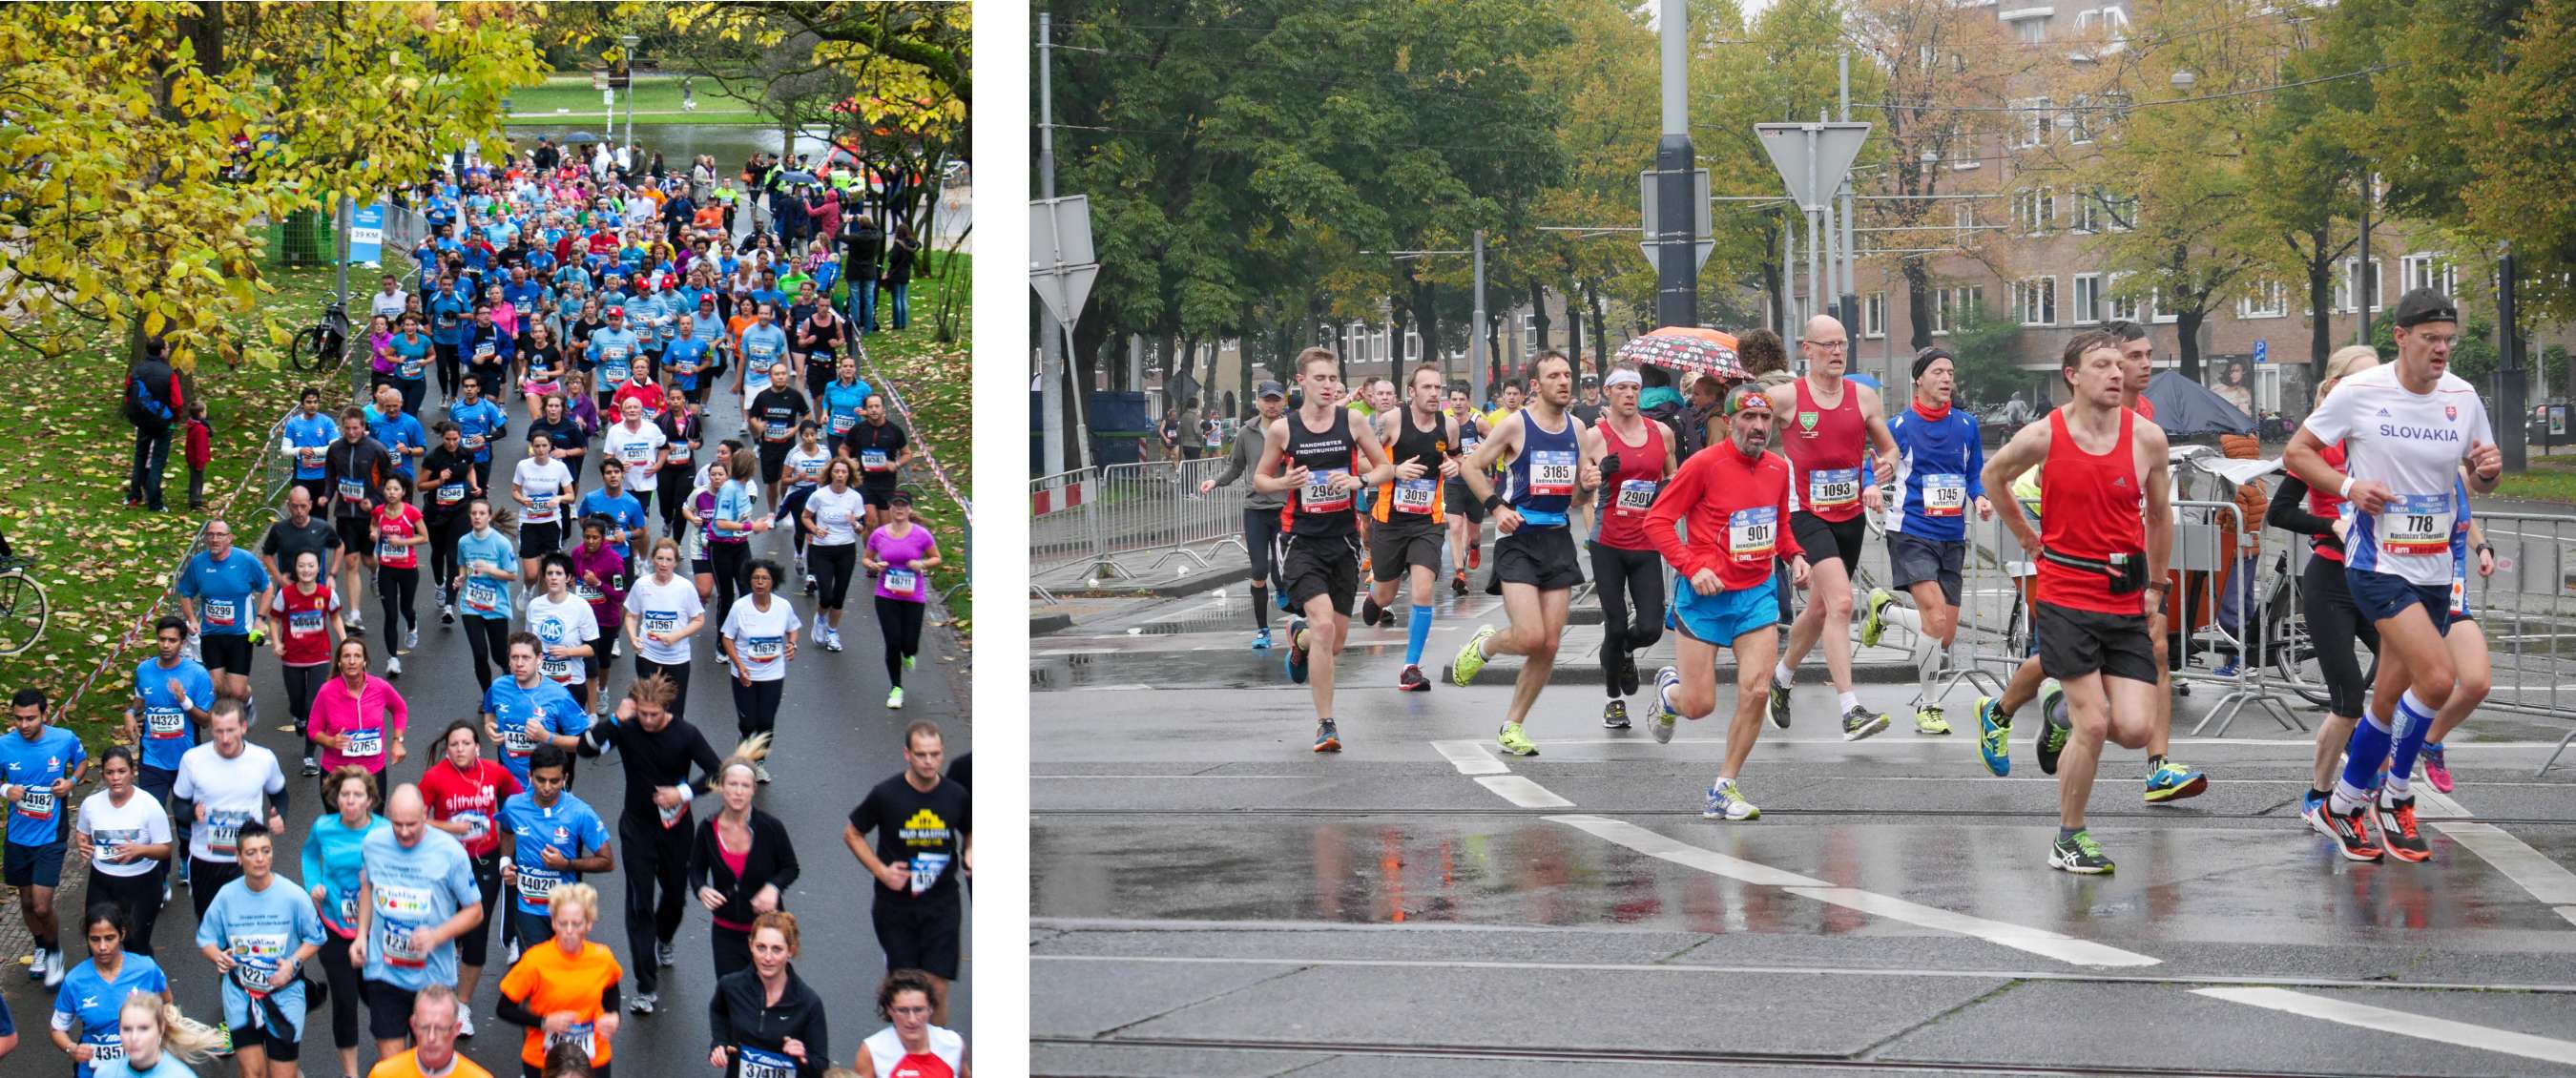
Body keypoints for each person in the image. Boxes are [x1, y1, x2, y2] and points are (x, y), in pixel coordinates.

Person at [2283, 288, 2504, 863]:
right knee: (2437, 679)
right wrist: (2350, 487)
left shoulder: (2462, 396)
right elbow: (2297, 453)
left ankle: (2343, 804)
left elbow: (2480, 478)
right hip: (2376, 564)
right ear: (2401, 338)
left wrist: (2488, 471)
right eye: (2430, 339)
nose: (2441, 350)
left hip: (2436, 566)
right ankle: (2397, 796)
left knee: (2386, 699)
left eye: (2448, 340)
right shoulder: (2361, 392)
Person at [1971, 321, 2209, 803]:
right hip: (2068, 574)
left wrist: (2157, 586)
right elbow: (1995, 475)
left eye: (2133, 360)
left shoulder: (2147, 426)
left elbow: (2159, 514)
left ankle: (2136, 751)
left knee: (2147, 668)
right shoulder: (2050, 431)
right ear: (2074, 374)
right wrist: (2029, 538)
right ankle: (2034, 727)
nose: (2130, 369)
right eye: (2118, 361)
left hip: (2127, 577)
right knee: (2080, 694)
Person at [1636, 384, 1809, 819]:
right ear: (1729, 422)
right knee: (1700, 705)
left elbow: (1779, 524)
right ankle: (1670, 694)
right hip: (1704, 599)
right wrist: (1692, 567)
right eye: (1748, 418)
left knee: (1756, 690)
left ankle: (1723, 787)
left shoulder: (1778, 468)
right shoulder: (1703, 465)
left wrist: (1795, 555)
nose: (1758, 426)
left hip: (1756, 595)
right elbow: (1657, 521)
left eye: (1765, 418)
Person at [1449, 353, 1603, 757]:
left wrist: (1588, 484)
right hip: (1518, 537)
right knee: (1530, 636)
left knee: (1549, 645)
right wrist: (1497, 508)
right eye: (1554, 376)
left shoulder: (1578, 428)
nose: (1564, 381)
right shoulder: (1516, 424)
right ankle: (1485, 646)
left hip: (1557, 538)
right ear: (1536, 384)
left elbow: (1576, 498)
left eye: (1567, 374)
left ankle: (1512, 726)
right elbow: (1471, 467)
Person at [1249, 347, 1395, 752]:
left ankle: (1300, 641)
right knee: (1324, 624)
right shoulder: (1284, 429)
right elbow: (1260, 479)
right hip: (1300, 540)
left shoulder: (1352, 421)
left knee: (1335, 642)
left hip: (1344, 541)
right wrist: (1284, 483)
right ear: (1301, 382)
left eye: (1333, 378)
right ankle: (1326, 724)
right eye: (1320, 379)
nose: (1329, 386)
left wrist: (1359, 482)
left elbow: (1384, 468)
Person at [1769, 317, 1902, 741]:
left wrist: (1884, 468)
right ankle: (1850, 709)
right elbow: (1742, 417)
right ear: (1807, 349)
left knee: (1821, 610)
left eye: (1842, 344)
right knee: (1842, 603)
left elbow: (1889, 449)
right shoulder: (1787, 397)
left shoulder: (1863, 397)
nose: (1838, 352)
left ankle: (1781, 677)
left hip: (1849, 516)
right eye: (1828, 344)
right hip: (1805, 514)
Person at [1860, 347, 1994, 737]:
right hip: (1911, 531)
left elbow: (1973, 474)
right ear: (1919, 378)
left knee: (1943, 634)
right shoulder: (1900, 426)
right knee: (1934, 619)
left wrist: (1981, 498)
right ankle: (1929, 705)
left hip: (1952, 535)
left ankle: (1885, 611)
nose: (1947, 378)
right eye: (1938, 372)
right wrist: (1872, 484)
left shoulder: (1967, 425)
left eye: (1950, 371)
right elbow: (1872, 465)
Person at [573, 674, 725, 1013]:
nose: (647, 719)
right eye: (642, 712)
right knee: (639, 905)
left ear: (666, 709)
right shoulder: (627, 728)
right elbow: (585, 750)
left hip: (676, 830)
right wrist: (615, 718)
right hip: (637, 829)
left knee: (674, 897)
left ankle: (665, 938)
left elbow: (719, 771)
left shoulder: (686, 734)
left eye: (653, 714)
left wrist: (682, 792)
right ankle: (646, 986)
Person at [845, 721, 969, 1027]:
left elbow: (971, 828)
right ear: (907, 754)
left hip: (942, 903)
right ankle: (904, 1048)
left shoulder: (956, 795)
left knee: (936, 987)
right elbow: (853, 834)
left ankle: (934, 1050)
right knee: (905, 989)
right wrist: (881, 871)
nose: (929, 762)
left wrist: (970, 849)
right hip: (895, 905)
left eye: (935, 754)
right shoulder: (886, 794)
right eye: (921, 754)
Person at [354, 785, 485, 1061]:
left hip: (432, 976)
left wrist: (436, 936)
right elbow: (368, 886)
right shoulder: (373, 844)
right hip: (384, 971)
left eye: (411, 824)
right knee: (392, 1063)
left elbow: (475, 911)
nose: (404, 832)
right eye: (397, 824)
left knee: (427, 1058)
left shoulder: (450, 852)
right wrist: (360, 934)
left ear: (425, 815)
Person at [1358, 364, 1463, 692]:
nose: (1435, 393)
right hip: (1389, 522)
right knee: (1386, 593)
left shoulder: (1449, 426)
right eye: (1427, 387)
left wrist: (1454, 466)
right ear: (1412, 392)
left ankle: (1411, 667)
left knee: (1423, 591)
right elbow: (1360, 461)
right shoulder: (1392, 421)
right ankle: (1375, 597)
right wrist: (1394, 470)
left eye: (1438, 387)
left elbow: (1459, 460)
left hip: (1427, 522)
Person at [193, 820, 325, 1078]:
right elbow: (206, 939)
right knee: (252, 1073)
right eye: (251, 852)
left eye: (265, 850)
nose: (260, 859)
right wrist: (218, 956)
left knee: (281, 1075)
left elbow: (316, 938)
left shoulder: (293, 896)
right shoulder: (226, 896)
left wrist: (292, 963)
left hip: (285, 995)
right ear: (238, 857)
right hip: (241, 995)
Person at [1586, 366, 1679, 729]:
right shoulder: (1596, 437)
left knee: (1652, 627)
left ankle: (1625, 651)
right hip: (1607, 542)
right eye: (1622, 387)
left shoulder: (1662, 433)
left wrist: (1663, 491)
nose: (1629, 394)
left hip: (1645, 542)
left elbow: (1673, 478)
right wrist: (1598, 475)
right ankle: (1614, 701)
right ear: (1607, 392)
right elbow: (1581, 489)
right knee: (1614, 624)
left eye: (1635, 388)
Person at [304, 766, 394, 1077]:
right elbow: (308, 856)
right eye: (345, 795)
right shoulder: (323, 827)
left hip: (376, 930)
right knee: (344, 1001)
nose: (351, 801)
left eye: (358, 795)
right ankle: (351, 1073)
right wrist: (314, 884)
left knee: (378, 999)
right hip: (334, 925)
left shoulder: (384, 831)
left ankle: (390, 1064)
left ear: (370, 800)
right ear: (336, 797)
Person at [688, 738, 799, 979]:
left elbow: (790, 867)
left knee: (770, 995)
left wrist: (773, 887)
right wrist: (701, 889)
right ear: (722, 787)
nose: (738, 792)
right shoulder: (707, 829)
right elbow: (695, 870)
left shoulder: (771, 828)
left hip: (767, 934)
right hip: (726, 932)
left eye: (745, 786)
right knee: (731, 995)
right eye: (733, 784)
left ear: (753, 790)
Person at [172, 699, 289, 922]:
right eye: (219, 731)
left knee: (247, 926)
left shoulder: (263, 759)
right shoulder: (193, 760)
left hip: (249, 859)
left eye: (231, 730)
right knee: (211, 928)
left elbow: (280, 794)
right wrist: (192, 813)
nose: (225, 739)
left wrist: (280, 814)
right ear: (211, 730)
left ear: (243, 727)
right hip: (206, 860)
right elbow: (178, 805)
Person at [123, 617, 209, 907]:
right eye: (162, 639)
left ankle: (185, 858)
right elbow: (139, 703)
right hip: (152, 760)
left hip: (186, 761)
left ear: (182, 643)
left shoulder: (197, 674)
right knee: (151, 821)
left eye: (172, 640)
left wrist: (184, 701)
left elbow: (206, 720)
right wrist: (129, 714)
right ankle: (159, 880)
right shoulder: (144, 670)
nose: (166, 645)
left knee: (185, 819)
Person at [496, 881, 623, 1077]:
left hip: (593, 1056)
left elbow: (611, 987)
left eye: (576, 924)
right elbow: (504, 1008)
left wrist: (614, 1015)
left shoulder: (602, 958)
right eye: (563, 923)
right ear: (554, 923)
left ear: (589, 924)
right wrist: (544, 1022)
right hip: (543, 1059)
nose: (569, 931)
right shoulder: (535, 961)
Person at [5, 688, 87, 986]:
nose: (23, 725)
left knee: (41, 905)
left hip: (51, 837)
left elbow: (82, 762)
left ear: (44, 714)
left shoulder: (64, 739)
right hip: (18, 837)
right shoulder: (4, 745)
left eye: (30, 718)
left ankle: (54, 952)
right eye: (18, 719)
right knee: (26, 902)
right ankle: (40, 945)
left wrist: (72, 782)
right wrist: (6, 790)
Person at [50, 902, 173, 1078]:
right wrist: (72, 1049)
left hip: (142, 1070)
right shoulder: (75, 981)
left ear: (122, 934)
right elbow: (57, 1029)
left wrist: (158, 1036)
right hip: (94, 1072)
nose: (102, 947)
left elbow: (167, 1002)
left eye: (109, 938)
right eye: (95, 939)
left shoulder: (146, 969)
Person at [76, 750, 175, 960]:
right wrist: (82, 843)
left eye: (122, 771)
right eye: (110, 772)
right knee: (97, 944)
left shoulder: (149, 805)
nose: (116, 778)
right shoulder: (90, 804)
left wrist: (140, 850)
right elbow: (82, 833)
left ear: (133, 772)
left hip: (142, 884)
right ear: (103, 775)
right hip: (102, 882)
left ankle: (145, 977)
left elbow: (166, 849)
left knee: (135, 946)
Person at [709, 912, 832, 1078]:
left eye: (776, 949)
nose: (767, 957)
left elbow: (821, 1067)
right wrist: (720, 1042)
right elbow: (718, 1011)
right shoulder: (731, 986)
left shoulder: (808, 1003)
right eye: (761, 947)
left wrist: (802, 1059)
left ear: (791, 951)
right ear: (751, 945)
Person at [176, 517, 272, 729]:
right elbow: (185, 592)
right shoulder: (199, 563)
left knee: (237, 690)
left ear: (230, 538)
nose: (215, 539)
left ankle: (247, 701)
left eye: (220, 535)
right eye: (210, 535)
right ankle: (227, 725)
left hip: (240, 635)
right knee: (216, 686)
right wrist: (192, 619)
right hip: (211, 634)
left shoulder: (245, 560)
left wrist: (260, 619)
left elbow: (266, 588)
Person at [264, 549, 344, 777]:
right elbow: (274, 620)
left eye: (311, 566)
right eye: (302, 566)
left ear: (318, 568)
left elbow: (335, 616)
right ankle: (298, 717)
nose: (306, 570)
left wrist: (345, 641)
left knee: (313, 706)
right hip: (293, 657)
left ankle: (309, 756)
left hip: (320, 656)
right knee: (297, 703)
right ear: (296, 568)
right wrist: (276, 642)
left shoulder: (327, 594)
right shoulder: (286, 594)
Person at [308, 636, 408, 807]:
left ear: (364, 661)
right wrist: (330, 741)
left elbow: (400, 709)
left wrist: (397, 740)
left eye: (357, 656)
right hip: (337, 772)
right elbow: (313, 729)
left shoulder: (379, 687)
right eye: (347, 656)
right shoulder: (327, 691)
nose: (352, 661)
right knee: (338, 824)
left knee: (373, 823)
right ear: (339, 662)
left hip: (373, 771)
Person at [862, 492, 941, 708]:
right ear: (890, 508)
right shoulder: (879, 534)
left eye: (903, 505)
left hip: (913, 596)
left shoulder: (921, 534)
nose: (899, 509)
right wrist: (873, 565)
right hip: (886, 594)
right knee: (893, 641)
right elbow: (866, 558)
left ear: (909, 509)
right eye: (895, 505)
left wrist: (921, 564)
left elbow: (936, 557)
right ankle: (896, 688)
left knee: (910, 644)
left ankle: (909, 654)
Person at [719, 559, 798, 759]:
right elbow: (727, 638)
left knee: (766, 722)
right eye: (755, 578)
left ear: (773, 581)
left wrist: (792, 644)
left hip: (773, 673)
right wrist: (739, 665)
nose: (760, 582)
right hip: (745, 673)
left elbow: (792, 628)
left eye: (765, 578)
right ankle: (744, 744)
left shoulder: (783, 606)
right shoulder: (740, 607)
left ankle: (759, 762)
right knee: (748, 723)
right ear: (749, 580)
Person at [624, 539, 706, 720]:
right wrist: (632, 637)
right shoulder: (642, 585)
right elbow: (631, 615)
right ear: (653, 559)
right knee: (647, 706)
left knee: (674, 712)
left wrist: (677, 635)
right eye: (660, 558)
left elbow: (699, 619)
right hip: (648, 655)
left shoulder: (685, 587)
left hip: (677, 658)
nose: (663, 564)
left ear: (675, 562)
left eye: (669, 559)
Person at [527, 553, 606, 718]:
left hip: (572, 683)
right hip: (541, 684)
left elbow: (592, 649)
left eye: (559, 573)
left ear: (568, 577)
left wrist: (568, 652)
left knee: (569, 731)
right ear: (544, 577)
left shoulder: (581, 607)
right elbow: (528, 644)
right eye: (549, 573)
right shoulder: (535, 606)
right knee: (544, 730)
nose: (553, 577)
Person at [455, 498, 522, 691]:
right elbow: (463, 565)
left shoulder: (501, 543)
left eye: (482, 513)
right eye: (474, 513)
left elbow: (512, 575)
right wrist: (461, 578)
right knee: (479, 654)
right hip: (471, 606)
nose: (477, 517)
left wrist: (490, 570)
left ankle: (510, 685)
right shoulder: (464, 542)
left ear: (489, 517)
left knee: (499, 656)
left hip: (496, 607)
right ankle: (488, 696)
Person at [802, 459, 867, 653]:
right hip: (822, 550)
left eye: (843, 472)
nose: (840, 475)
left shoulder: (855, 497)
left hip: (846, 550)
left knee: (839, 596)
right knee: (826, 596)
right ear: (830, 473)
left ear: (849, 475)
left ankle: (832, 632)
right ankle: (820, 618)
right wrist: (815, 529)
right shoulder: (819, 495)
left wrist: (855, 523)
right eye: (836, 471)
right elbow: (805, 516)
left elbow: (861, 529)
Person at [854, 968, 964, 1078]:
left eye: (918, 1010)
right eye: (903, 1010)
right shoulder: (872, 1051)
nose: (912, 1020)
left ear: (930, 1008)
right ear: (889, 1010)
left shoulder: (954, 1044)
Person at [364, 985, 491, 1078]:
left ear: (456, 1029)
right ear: (414, 1025)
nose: (431, 1038)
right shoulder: (383, 1074)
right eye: (424, 1027)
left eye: (441, 1028)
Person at [374, 474, 430, 670]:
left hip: (408, 569)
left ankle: (412, 624)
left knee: (406, 608)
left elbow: (424, 537)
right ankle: (392, 659)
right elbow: (373, 525)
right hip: (386, 569)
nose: (392, 493)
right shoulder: (379, 512)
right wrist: (373, 533)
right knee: (390, 614)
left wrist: (402, 542)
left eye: (396, 489)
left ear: (403, 492)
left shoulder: (411, 512)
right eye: (388, 489)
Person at [125, 341, 184, 512]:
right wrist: (173, 418)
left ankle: (134, 495)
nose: (169, 350)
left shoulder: (137, 370)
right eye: (167, 348)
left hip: (142, 420)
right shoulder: (169, 374)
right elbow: (177, 401)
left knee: (140, 457)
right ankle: (155, 502)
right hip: (162, 422)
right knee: (157, 462)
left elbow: (129, 394)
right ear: (161, 351)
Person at [1442, 386, 1487, 596]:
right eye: (1454, 399)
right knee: (1455, 526)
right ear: (1449, 402)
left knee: (1473, 532)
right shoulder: (1445, 423)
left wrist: (1483, 449)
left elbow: (1498, 444)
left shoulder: (1478, 422)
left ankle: (1475, 546)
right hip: (1453, 483)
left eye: (1462, 399)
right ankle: (1459, 573)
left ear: (1469, 401)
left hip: (1475, 483)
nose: (1458, 403)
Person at [516, 429, 578, 581]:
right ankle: (527, 590)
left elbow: (571, 496)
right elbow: (514, 491)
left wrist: (559, 498)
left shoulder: (560, 467)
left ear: (550, 446)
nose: (541, 449)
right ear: (532, 447)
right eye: (537, 446)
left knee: (547, 572)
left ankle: (543, 597)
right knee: (531, 574)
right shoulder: (523, 465)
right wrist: (522, 500)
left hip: (551, 521)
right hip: (528, 521)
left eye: (544, 445)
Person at [842, 395, 912, 533]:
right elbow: (843, 448)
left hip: (886, 483)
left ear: (883, 408)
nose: (874, 410)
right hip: (863, 481)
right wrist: (848, 460)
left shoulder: (894, 430)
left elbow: (907, 454)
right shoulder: (858, 429)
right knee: (871, 521)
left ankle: (880, 546)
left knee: (885, 526)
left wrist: (896, 464)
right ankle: (869, 548)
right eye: (870, 407)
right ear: (866, 409)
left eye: (877, 406)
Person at [449, 374, 511, 492]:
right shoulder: (455, 408)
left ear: (478, 389)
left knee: (479, 491)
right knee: (462, 491)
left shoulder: (489, 407)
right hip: (461, 456)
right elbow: (451, 431)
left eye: (472, 386)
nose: (469, 389)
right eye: (466, 386)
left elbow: (502, 432)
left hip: (482, 456)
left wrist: (485, 438)